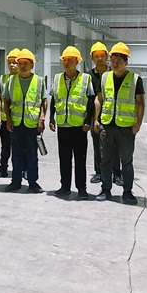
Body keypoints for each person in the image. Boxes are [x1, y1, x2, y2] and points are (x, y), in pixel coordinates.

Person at [93, 42, 145, 204]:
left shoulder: (135, 79)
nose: (115, 63)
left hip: (126, 128)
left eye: (119, 61)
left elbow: (140, 103)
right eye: (113, 60)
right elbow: (99, 99)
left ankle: (127, 192)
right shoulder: (105, 77)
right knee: (105, 161)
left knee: (126, 162)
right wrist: (96, 119)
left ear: (126, 62)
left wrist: (138, 124)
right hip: (107, 126)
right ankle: (105, 190)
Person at [49, 46, 94, 200]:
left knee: (80, 159)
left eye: (70, 60)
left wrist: (88, 120)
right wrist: (51, 118)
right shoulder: (57, 78)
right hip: (63, 125)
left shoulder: (86, 79)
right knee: (64, 159)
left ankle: (82, 189)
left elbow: (90, 101)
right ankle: (65, 187)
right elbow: (54, 99)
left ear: (77, 61)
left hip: (79, 126)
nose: (66, 63)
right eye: (65, 60)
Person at [4, 49, 47, 194]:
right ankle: (16, 182)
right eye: (20, 63)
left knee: (32, 155)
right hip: (16, 124)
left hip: (32, 124)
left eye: (26, 63)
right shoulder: (11, 81)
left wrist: (42, 119)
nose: (22, 66)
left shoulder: (39, 81)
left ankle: (33, 182)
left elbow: (44, 101)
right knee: (16, 154)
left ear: (32, 65)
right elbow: (6, 100)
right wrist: (8, 119)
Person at [88, 42, 122, 187]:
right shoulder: (88, 76)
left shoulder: (115, 73)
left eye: (102, 56)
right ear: (92, 58)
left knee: (115, 146)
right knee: (97, 146)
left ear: (106, 56)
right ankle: (99, 172)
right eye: (96, 56)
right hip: (95, 116)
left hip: (113, 116)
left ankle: (117, 173)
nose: (100, 59)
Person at [0, 48, 21, 179]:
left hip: (20, 119)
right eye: (10, 63)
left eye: (15, 62)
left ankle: (23, 169)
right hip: (5, 119)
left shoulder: (23, 78)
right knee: (5, 147)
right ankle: (3, 169)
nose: (12, 65)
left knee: (21, 147)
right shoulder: (3, 78)